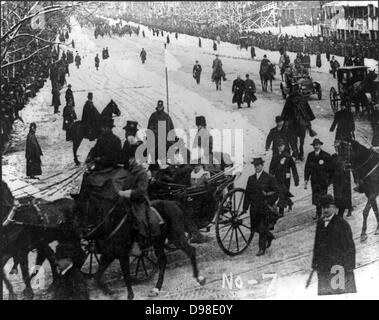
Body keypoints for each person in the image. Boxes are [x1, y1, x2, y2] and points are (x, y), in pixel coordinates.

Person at [311, 194, 356, 296]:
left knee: (340, 294)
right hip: (324, 266)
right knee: (326, 293)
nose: (325, 210)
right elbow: (317, 244)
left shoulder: (342, 224)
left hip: (339, 267)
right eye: (323, 207)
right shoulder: (320, 223)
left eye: (328, 207)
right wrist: (315, 262)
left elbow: (350, 246)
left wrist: (349, 266)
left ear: (334, 208)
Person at [242, 158, 279, 256]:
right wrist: (245, 208)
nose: (256, 167)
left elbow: (276, 192)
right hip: (254, 207)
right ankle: (269, 236)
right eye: (255, 166)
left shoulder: (269, 177)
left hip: (264, 207)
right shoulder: (251, 179)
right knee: (255, 228)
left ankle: (261, 248)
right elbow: (247, 194)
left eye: (258, 165)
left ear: (262, 165)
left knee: (262, 227)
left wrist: (269, 202)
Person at [269, 140, 299, 217]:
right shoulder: (275, 157)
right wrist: (270, 176)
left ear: (284, 146)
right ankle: (290, 202)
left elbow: (293, 168)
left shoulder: (288, 156)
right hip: (277, 178)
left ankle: (281, 212)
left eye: (281, 146)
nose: (280, 147)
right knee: (281, 193)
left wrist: (296, 180)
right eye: (279, 146)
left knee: (282, 194)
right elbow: (271, 168)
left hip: (286, 179)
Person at [304, 139, 332, 220]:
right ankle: (318, 213)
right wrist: (306, 179)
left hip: (323, 181)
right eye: (314, 145)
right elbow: (307, 168)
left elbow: (330, 169)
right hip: (314, 180)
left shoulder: (326, 155)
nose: (316, 146)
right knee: (316, 198)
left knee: (323, 197)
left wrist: (329, 180)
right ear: (313, 146)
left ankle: (324, 213)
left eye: (317, 145)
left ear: (320, 145)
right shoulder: (310, 155)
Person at [330, 141, 353, 217]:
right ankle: (340, 207)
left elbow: (349, 166)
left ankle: (349, 208)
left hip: (344, 178)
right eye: (335, 147)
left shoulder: (344, 156)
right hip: (336, 179)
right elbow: (331, 168)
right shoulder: (333, 156)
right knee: (337, 193)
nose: (336, 148)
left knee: (347, 193)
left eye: (337, 147)